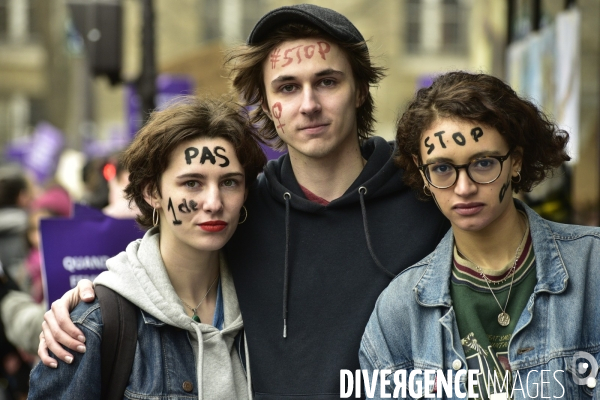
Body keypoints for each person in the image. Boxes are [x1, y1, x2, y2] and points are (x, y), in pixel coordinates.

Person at [38, 5, 449, 399]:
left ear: (359, 90)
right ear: (267, 103)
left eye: (327, 81)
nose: (308, 104)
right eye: (288, 87)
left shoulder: (430, 194)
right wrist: (86, 302)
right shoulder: (245, 209)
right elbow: (162, 269)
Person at [359, 71, 600, 399]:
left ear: (515, 160)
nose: (464, 188)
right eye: (442, 168)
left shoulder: (593, 268)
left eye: (483, 163)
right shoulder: (399, 311)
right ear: (422, 172)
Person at [28, 96, 266, 399]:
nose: (214, 203)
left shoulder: (269, 303)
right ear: (152, 192)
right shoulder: (91, 324)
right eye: (192, 183)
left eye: (230, 182)